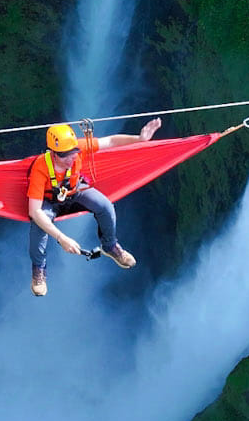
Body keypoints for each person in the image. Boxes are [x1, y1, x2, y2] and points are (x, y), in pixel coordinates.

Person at [27, 118, 162, 297]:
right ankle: (39, 269)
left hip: (74, 191)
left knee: (105, 206)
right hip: (49, 201)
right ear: (53, 153)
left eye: (73, 152)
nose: (71, 158)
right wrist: (62, 238)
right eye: (65, 154)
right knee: (38, 226)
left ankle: (110, 246)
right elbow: (34, 211)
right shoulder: (40, 168)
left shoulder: (79, 149)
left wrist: (140, 139)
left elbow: (111, 141)